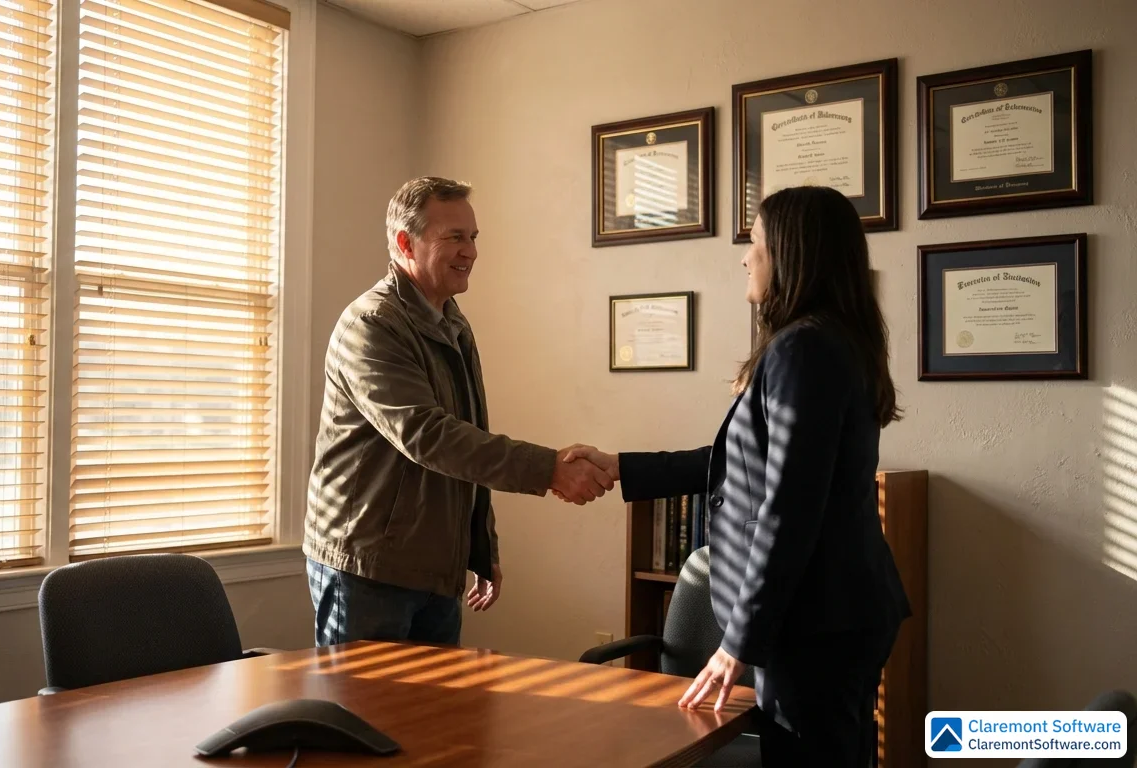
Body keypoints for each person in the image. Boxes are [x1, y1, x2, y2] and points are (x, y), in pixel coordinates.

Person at [561, 186, 911, 766]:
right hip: (832, 616)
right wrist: (623, 467)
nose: (745, 258)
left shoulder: (805, 349)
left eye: (755, 243)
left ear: (791, 256)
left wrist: (736, 645)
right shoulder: (827, 341)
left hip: (814, 624)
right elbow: (742, 461)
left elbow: (789, 509)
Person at [304, 176, 613, 648]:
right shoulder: (371, 325)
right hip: (367, 569)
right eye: (454, 237)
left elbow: (468, 435)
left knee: (435, 720)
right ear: (406, 243)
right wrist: (549, 468)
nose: (470, 251)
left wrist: (479, 547)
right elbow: (429, 436)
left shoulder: (452, 320)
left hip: (433, 570)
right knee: (358, 718)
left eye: (473, 238)